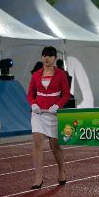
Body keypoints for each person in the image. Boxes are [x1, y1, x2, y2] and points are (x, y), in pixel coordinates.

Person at [27, 46, 70, 189]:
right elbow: (30, 94)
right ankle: (38, 177)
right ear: (41, 57)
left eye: (50, 56)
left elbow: (66, 95)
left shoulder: (61, 74)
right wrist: (33, 104)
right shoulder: (36, 74)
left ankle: (62, 170)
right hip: (38, 114)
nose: (47, 58)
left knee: (54, 146)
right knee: (37, 144)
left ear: (55, 58)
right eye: (44, 55)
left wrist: (57, 105)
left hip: (54, 114)